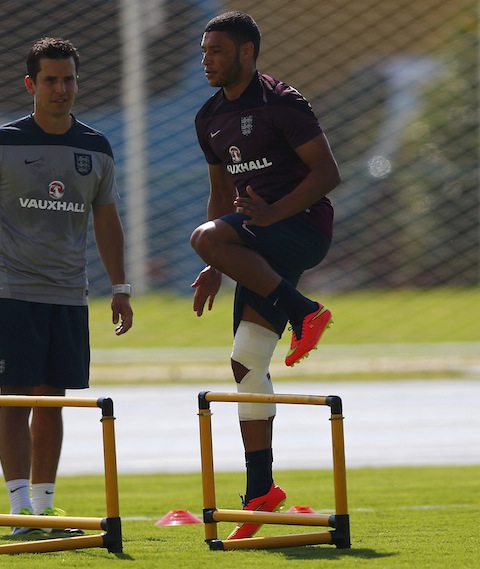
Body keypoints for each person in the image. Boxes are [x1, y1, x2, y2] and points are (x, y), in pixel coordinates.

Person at [0, 37, 133, 536]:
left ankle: (44, 509)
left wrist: (119, 286)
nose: (62, 89)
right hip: (10, 292)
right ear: (30, 84)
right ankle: (18, 512)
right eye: (51, 80)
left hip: (68, 294)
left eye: (69, 79)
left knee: (52, 399)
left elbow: (108, 222)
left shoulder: (96, 147)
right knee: (14, 398)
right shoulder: (0, 144)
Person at [189, 12, 341, 540]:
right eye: (204, 50)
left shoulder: (282, 101)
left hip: (300, 226)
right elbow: (217, 197)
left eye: (217, 51)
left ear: (247, 53)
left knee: (203, 235)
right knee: (247, 361)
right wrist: (215, 262)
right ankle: (262, 493)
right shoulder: (208, 116)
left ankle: (307, 314)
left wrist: (269, 217)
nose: (207, 59)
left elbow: (328, 174)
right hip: (256, 238)